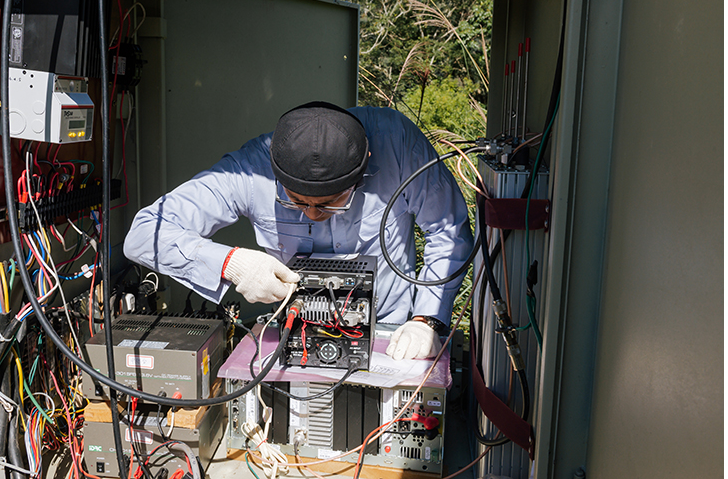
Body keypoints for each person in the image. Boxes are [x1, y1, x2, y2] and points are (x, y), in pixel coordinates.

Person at [124, 101, 473, 360]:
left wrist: (427, 319)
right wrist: (230, 262)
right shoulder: (249, 170)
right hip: (295, 333)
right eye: (296, 202)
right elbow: (144, 233)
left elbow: (448, 230)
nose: (313, 214)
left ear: (364, 168)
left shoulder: (396, 143)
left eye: (331, 203)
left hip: (390, 333)